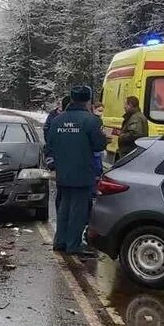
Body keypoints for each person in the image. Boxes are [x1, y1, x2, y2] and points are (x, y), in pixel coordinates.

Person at [45, 85, 107, 257]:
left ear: (71, 99)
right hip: (82, 172)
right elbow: (99, 145)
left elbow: (48, 145)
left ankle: (60, 241)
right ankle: (73, 244)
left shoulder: (57, 120)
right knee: (78, 211)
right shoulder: (91, 121)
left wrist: (53, 164)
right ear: (87, 100)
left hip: (62, 172)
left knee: (64, 207)